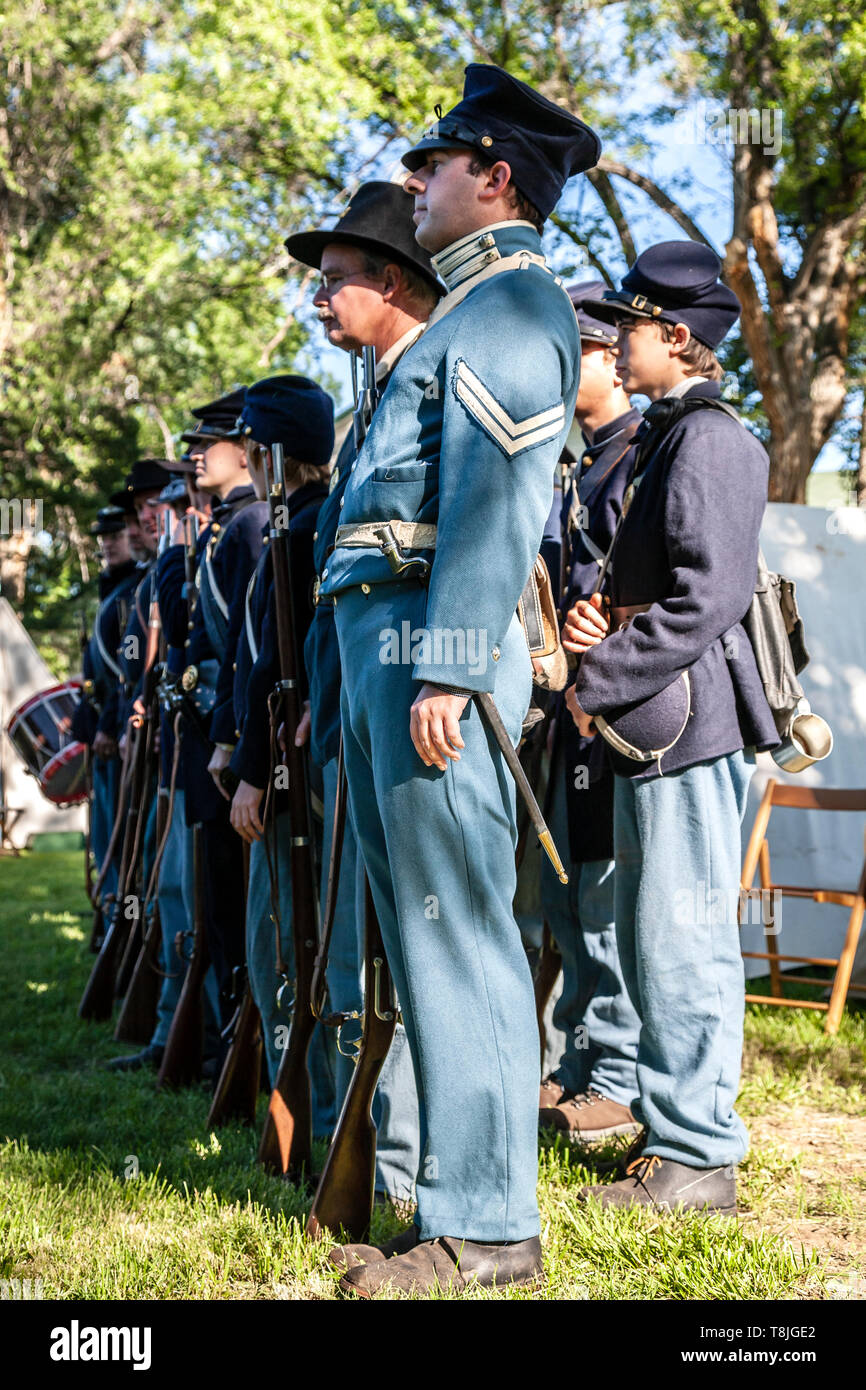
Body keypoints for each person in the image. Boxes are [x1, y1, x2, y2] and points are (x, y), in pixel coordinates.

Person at [319, 64, 600, 1295]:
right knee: (420, 930)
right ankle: (452, 1195)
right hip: (390, 642)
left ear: (491, 178)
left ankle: (486, 1225)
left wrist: (441, 667)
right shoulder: (471, 314)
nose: (413, 186)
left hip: (428, 653)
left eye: (429, 167)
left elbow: (494, 507)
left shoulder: (509, 305)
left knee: (457, 933)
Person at [566, 242, 779, 1213]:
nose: (616, 339)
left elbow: (707, 598)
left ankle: (698, 1156)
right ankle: (673, 1134)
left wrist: (596, 676)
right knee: (652, 938)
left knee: (683, 939)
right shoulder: (664, 437)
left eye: (632, 325)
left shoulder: (712, 442)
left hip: (687, 729)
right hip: (656, 725)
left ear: (678, 338)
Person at [285, 179, 442, 1202]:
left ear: (389, 283)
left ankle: (425, 1174)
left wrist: (446, 676)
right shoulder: (375, 394)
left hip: (419, 690)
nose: (318, 301)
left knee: (424, 946)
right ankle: (385, 1162)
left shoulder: (434, 373)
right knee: (364, 946)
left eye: (334, 282)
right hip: (355, 690)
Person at [537, 282, 643, 1141]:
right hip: (567, 706)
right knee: (569, 896)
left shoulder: (641, 453)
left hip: (618, 707)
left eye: (575, 348)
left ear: (610, 356)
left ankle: (617, 1073)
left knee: (606, 896)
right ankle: (579, 1060)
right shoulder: (577, 462)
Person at [227, 374, 337, 1133]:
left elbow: (277, 671)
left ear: (271, 451)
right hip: (292, 761)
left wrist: (248, 774)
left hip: (288, 770)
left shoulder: (299, 531)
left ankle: (310, 1119)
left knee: (285, 947)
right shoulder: (301, 524)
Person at [74, 505, 140, 914]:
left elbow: (129, 674)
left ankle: (124, 914)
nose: (108, 544)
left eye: (116, 534)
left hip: (118, 735)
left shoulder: (133, 589)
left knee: (122, 833)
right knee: (106, 834)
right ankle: (113, 915)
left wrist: (111, 724)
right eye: (104, 537)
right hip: (103, 733)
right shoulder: (114, 588)